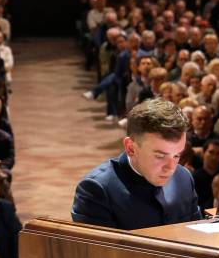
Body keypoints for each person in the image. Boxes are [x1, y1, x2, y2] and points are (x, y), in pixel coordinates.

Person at [71, 98, 202, 230]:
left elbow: (196, 234)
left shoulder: (183, 178)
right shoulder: (97, 190)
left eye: (177, 155)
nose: (171, 168)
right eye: (160, 156)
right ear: (131, 148)